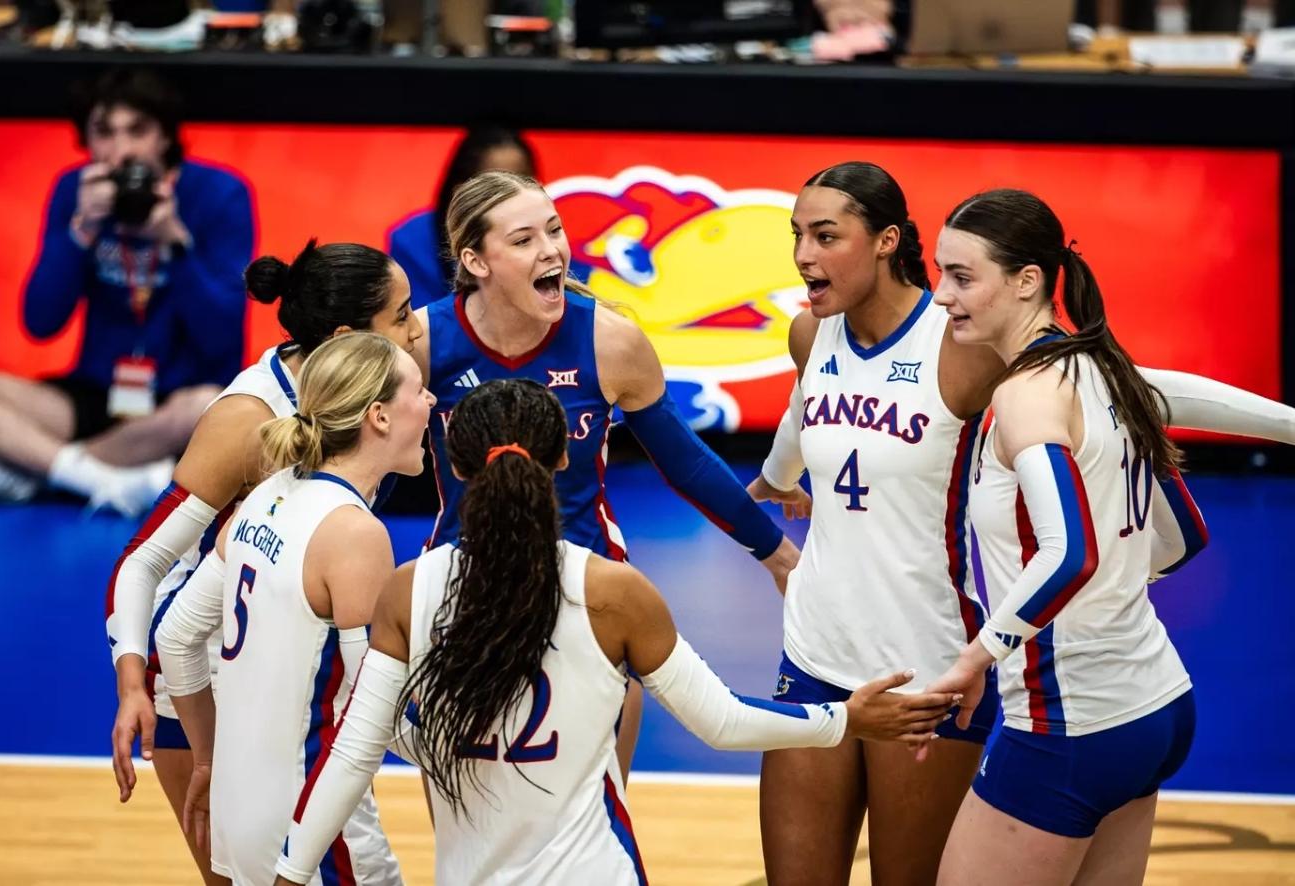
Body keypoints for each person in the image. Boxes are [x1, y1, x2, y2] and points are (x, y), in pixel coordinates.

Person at [745, 161, 1295, 886]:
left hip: (944, 671)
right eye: (796, 235)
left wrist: (980, 655)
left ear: (884, 241)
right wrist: (776, 479)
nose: (803, 255)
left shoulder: (981, 361)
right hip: (823, 651)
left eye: (824, 235)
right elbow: (801, 410)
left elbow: (1111, 449)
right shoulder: (816, 337)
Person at [271, 378, 960, 886]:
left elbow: (351, 756)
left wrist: (288, 874)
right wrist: (845, 719)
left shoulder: (407, 588)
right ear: (562, 462)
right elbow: (721, 722)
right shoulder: (612, 591)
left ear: (454, 468)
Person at [411, 169, 803, 780]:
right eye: (522, 240)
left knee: (599, 802)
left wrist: (777, 554)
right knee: (475, 802)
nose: (551, 250)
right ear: (475, 260)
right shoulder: (423, 342)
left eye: (554, 229)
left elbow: (684, 459)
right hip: (463, 581)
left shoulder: (609, 340)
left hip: (586, 578)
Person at [106, 239, 419, 885]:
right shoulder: (250, 417)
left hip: (267, 653)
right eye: (403, 315)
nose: (419, 329)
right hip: (199, 674)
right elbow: (144, 561)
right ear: (346, 336)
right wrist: (132, 682)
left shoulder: (374, 384)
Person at [924, 188, 1207, 886]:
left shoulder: (1023, 394)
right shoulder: (1099, 365)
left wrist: (976, 658)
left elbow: (1069, 554)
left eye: (961, 277)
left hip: (1068, 728)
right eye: (938, 272)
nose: (940, 296)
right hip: (1155, 705)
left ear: (1026, 281)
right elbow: (1183, 539)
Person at [154, 331, 434, 886]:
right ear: (377, 416)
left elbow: (176, 637)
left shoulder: (267, 492)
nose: (430, 403)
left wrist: (208, 759)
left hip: (237, 815)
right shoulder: (355, 534)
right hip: (311, 830)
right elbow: (372, 711)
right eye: (419, 391)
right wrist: (485, 754)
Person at [0, 67, 254, 515]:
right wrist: (80, 232)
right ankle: (90, 477)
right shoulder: (74, 192)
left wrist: (176, 244)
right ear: (87, 141)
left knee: (207, 406)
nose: (121, 150)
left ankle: (24, 469)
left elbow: (221, 337)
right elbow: (40, 322)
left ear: (164, 137)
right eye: (104, 132)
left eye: (137, 131)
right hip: (95, 393)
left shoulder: (220, 193)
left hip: (179, 403)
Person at [388, 124, 537, 309]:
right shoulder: (411, 241)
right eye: (499, 187)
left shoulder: (548, 237)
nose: (517, 195)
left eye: (526, 181)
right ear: (461, 190)